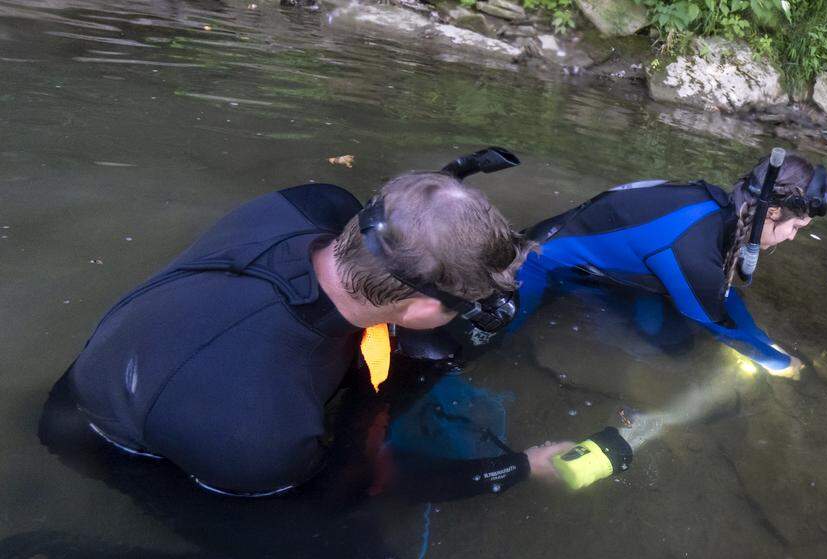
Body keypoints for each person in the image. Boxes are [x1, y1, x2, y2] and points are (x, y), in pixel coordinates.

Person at [55, 148, 572, 498]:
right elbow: (347, 491)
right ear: (417, 309)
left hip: (145, 350)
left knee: (424, 353)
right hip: (105, 439)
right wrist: (520, 468)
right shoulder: (261, 433)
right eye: (465, 302)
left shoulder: (314, 204)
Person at [512, 150, 827, 377]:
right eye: (795, 228)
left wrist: (760, 338)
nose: (791, 238)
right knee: (679, 348)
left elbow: (719, 293)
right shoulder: (694, 250)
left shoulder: (716, 209)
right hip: (535, 266)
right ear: (772, 212)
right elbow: (715, 323)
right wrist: (778, 363)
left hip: (575, 254)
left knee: (669, 327)